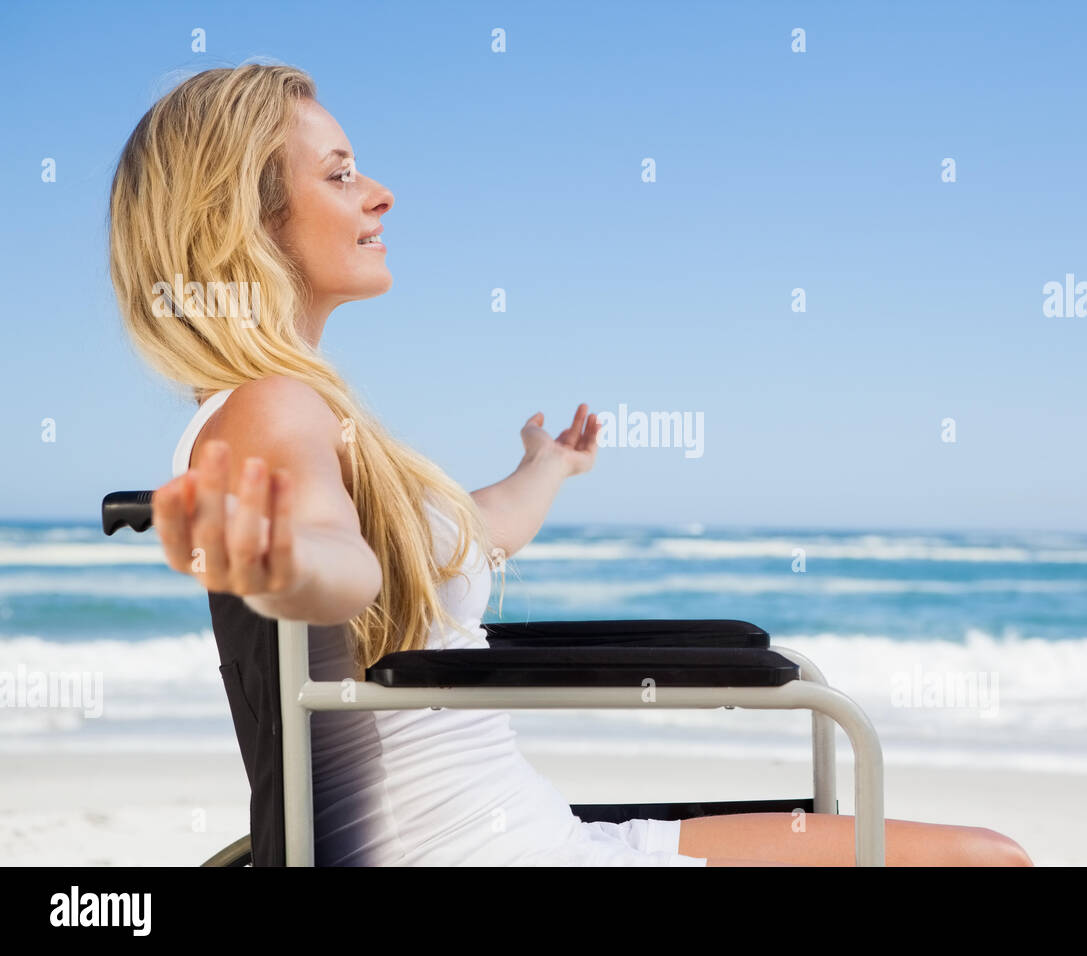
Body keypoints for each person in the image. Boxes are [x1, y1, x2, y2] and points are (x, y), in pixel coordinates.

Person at [108, 63, 1031, 867]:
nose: (380, 194)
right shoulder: (272, 408)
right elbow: (335, 561)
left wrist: (546, 467)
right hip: (489, 853)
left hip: (539, 837)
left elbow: (476, 530)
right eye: (341, 175)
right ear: (245, 220)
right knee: (988, 866)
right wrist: (284, 565)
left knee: (987, 858)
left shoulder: (286, 409)